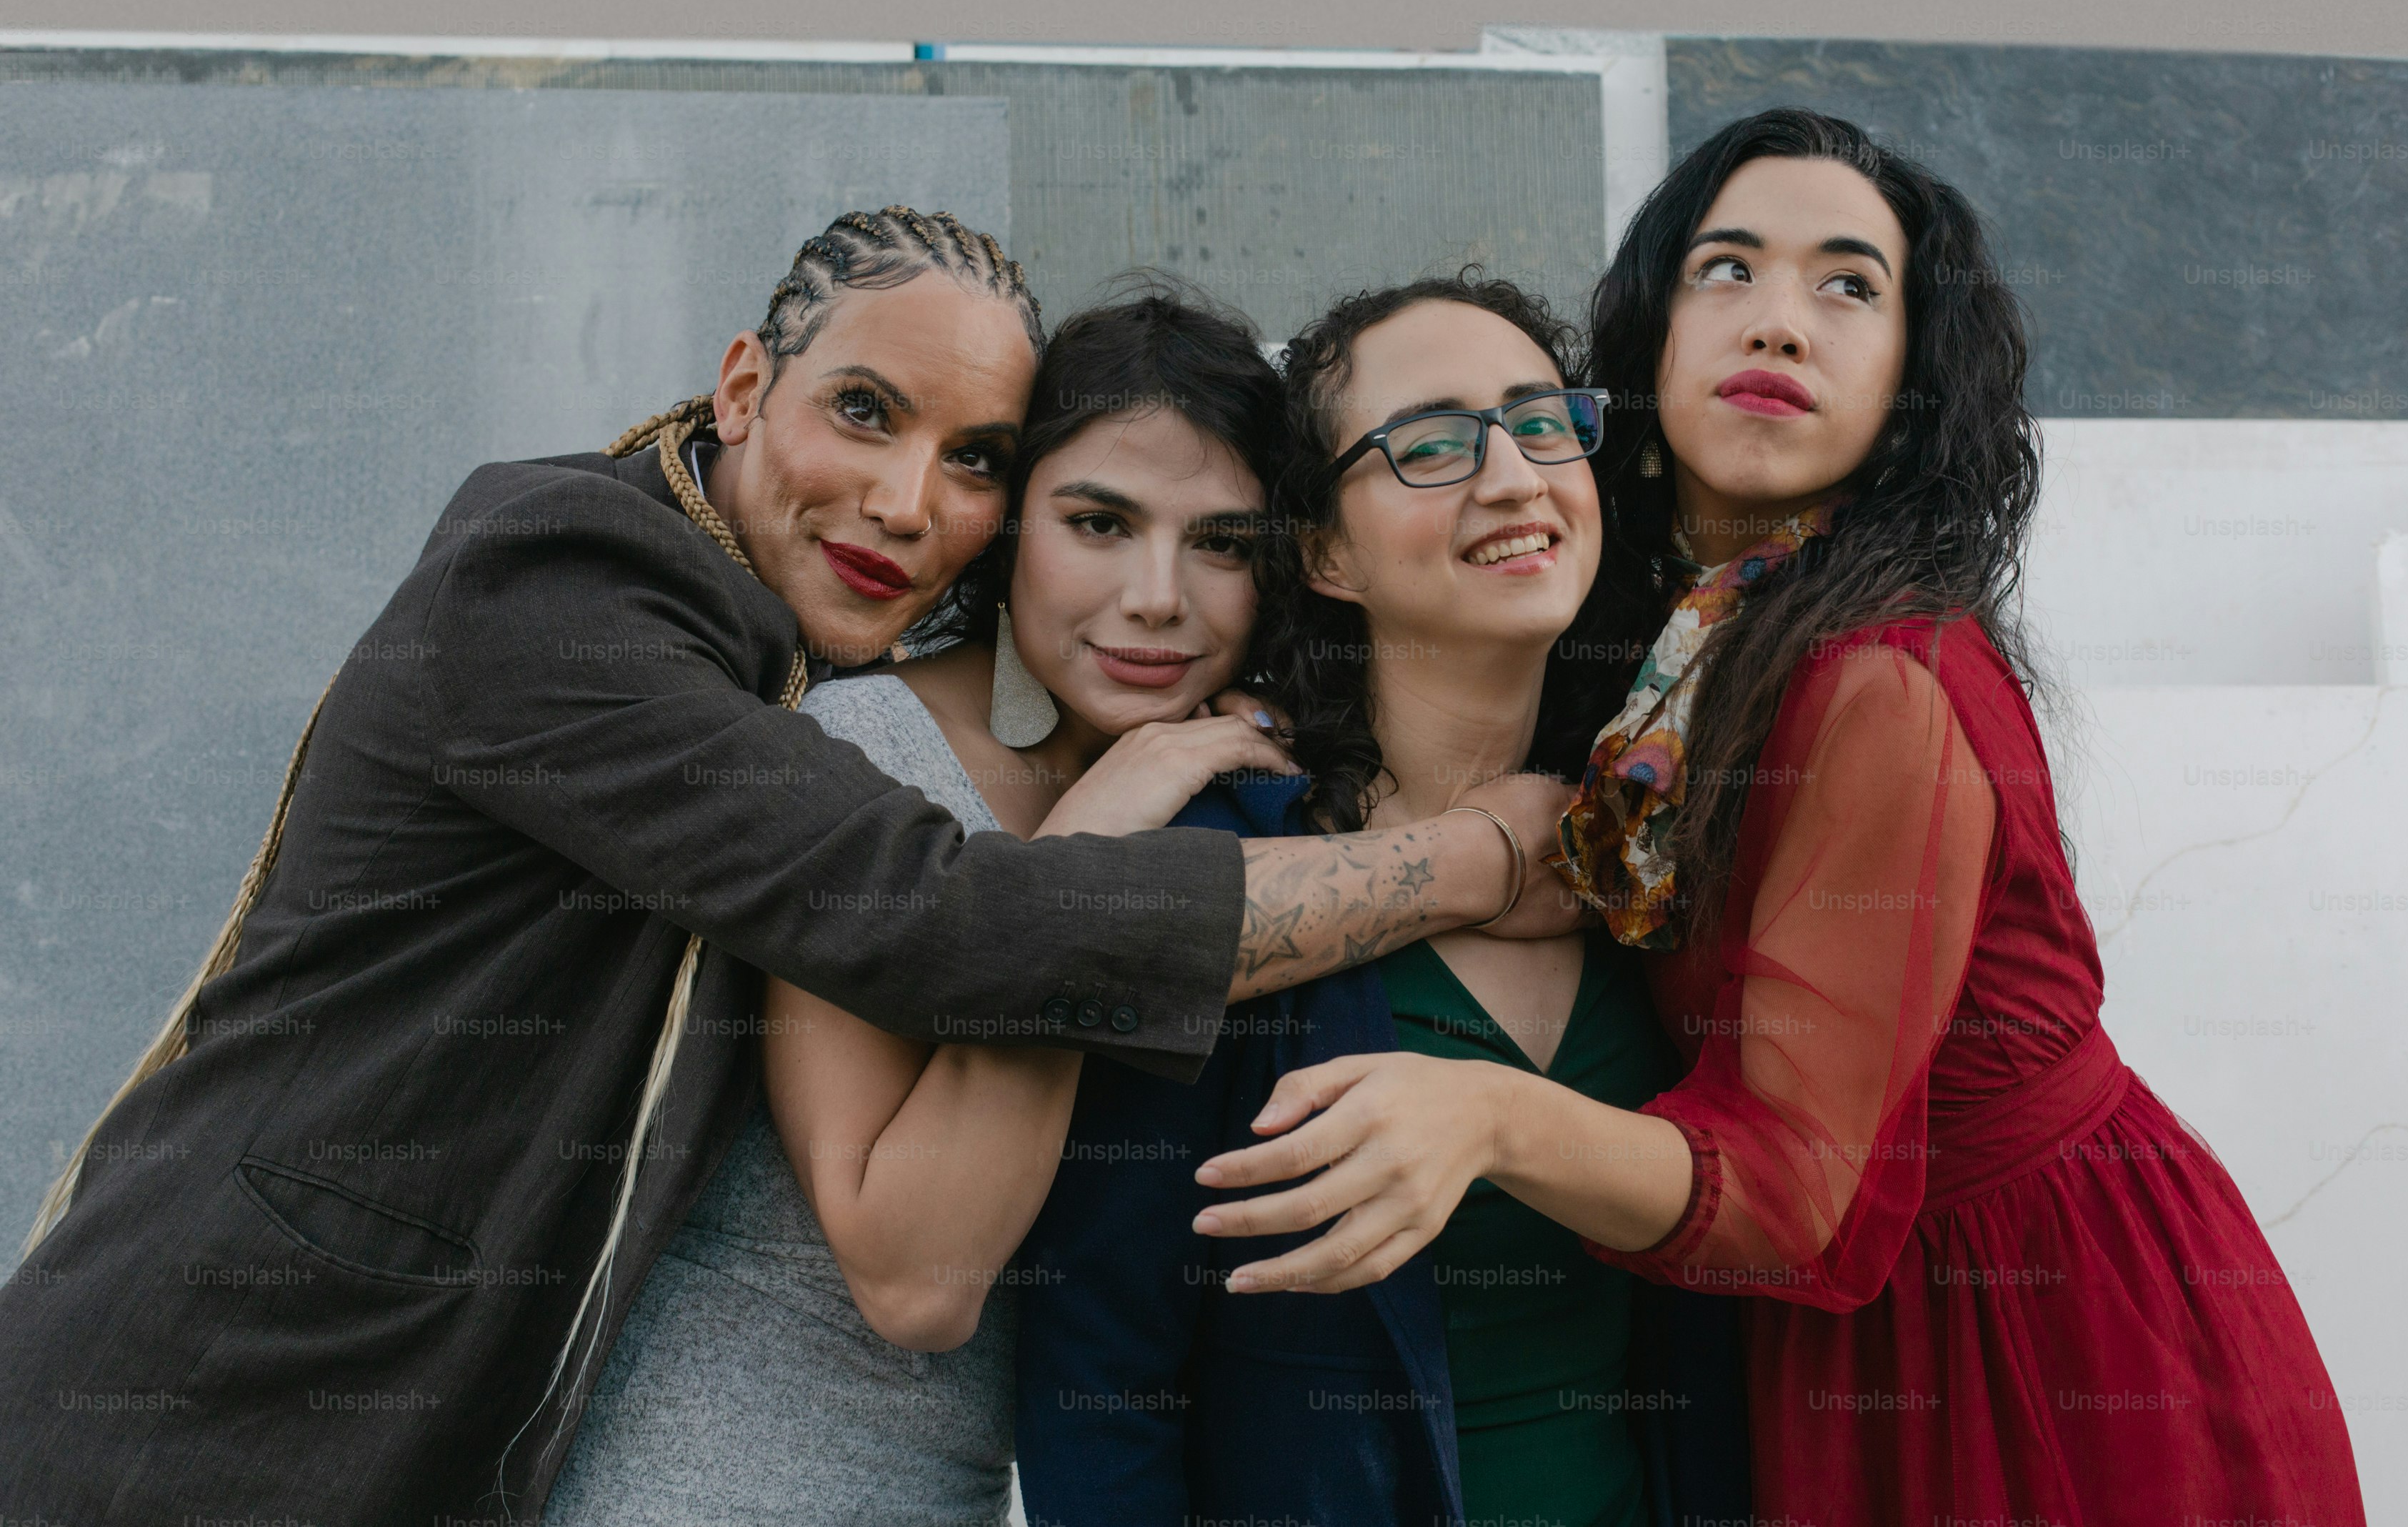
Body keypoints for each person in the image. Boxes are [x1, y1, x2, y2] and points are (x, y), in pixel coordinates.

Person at [0, 209, 1577, 1526]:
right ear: (745, 383)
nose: (906, 503)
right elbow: (944, 970)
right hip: (219, 1416)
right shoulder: (584, 592)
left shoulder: (899, 704)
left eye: (969, 459)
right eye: (866, 414)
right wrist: (1482, 849)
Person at [1187, 113, 2368, 1526]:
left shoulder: (1877, 680)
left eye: (1849, 286)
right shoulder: (1666, 653)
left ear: (1907, 383)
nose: (1782, 324)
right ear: (1650, 340)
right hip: (1826, 1347)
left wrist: (1493, 1114)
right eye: (1727, 269)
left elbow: (1797, 1187)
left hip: (2032, 1345)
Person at [546, 281, 1292, 1524]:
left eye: (1223, 543)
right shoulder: (871, 745)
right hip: (718, 1484)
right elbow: (917, 1279)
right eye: (1099, 522)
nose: (1161, 595)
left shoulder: (1221, 776)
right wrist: (1094, 846)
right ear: (1006, 531)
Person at [1016, 272, 1750, 1527]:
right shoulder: (1224, 859)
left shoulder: (1644, 842)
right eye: (1430, 445)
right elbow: (1097, 1383)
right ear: (1325, 551)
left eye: (1540, 422)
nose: (1514, 476)